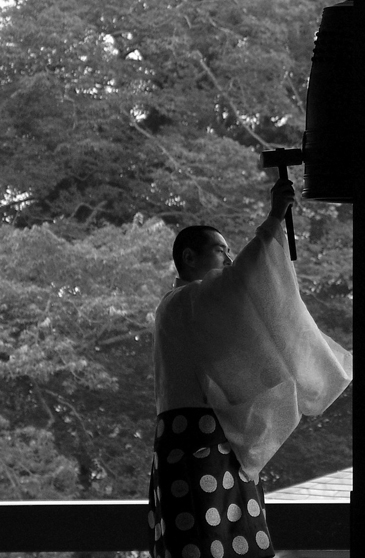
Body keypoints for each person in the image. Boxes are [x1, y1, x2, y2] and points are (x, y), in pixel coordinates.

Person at [147, 179, 353, 558]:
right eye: (219, 250)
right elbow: (242, 280)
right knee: (207, 541)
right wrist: (275, 216)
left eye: (229, 251)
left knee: (215, 537)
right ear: (189, 258)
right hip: (196, 440)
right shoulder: (185, 301)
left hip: (199, 436)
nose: (227, 258)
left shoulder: (185, 307)